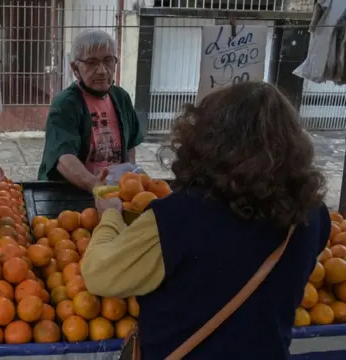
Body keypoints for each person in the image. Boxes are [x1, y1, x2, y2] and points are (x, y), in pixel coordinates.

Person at [81, 82, 330, 359]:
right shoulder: (314, 215)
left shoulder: (179, 217)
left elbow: (99, 274)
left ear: (207, 141)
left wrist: (111, 215)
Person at [37, 30, 143, 191]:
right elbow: (63, 158)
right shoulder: (66, 104)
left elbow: (130, 147)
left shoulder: (121, 97)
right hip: (71, 192)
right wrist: (96, 186)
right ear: (75, 68)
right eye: (91, 62)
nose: (101, 70)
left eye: (108, 60)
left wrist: (130, 180)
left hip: (113, 190)